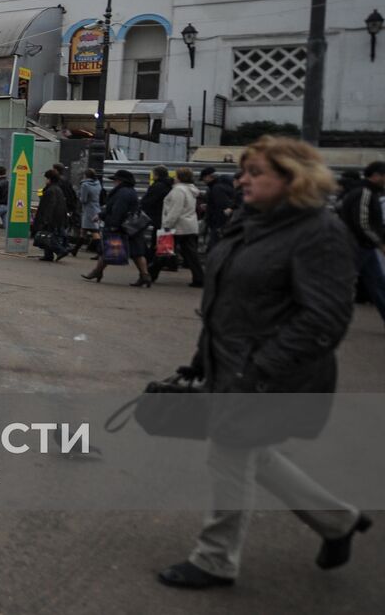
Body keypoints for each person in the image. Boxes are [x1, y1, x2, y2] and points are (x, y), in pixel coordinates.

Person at [158, 136, 368, 590]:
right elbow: (227, 297)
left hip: (272, 374)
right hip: (232, 362)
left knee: (229, 455)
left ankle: (215, 559)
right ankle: (338, 521)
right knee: (255, 456)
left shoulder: (319, 233)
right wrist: (202, 357)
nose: (244, 179)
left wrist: (259, 367)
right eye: (244, 170)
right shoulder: (251, 222)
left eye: (257, 172)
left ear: (293, 179)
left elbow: (326, 317)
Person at [82, 170, 153, 286]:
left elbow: (117, 210)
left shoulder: (122, 193)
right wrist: (101, 215)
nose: (114, 182)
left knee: (109, 249)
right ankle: (145, 275)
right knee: (136, 253)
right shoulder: (130, 191)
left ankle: (97, 272)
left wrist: (113, 225)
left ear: (120, 181)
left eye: (115, 180)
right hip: (132, 227)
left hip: (121, 227)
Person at [337, 160, 385, 324]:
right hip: (359, 245)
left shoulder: (363, 191)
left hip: (363, 246)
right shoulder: (365, 192)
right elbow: (363, 222)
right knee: (343, 284)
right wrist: (379, 242)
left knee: (378, 284)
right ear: (376, 176)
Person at [152, 167, 206, 287]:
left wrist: (167, 225)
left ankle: (150, 274)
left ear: (180, 177)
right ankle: (199, 278)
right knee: (191, 255)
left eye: (176, 176)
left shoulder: (178, 190)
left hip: (177, 226)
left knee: (163, 251)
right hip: (189, 225)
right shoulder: (191, 190)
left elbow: (175, 210)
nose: (174, 178)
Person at [32, 170, 71, 261]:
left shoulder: (51, 190)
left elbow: (50, 206)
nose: (45, 180)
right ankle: (48, 255)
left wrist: (45, 219)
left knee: (48, 236)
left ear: (49, 179)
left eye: (46, 178)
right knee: (48, 236)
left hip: (51, 218)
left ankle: (60, 250)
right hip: (58, 217)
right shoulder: (57, 189)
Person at [201, 166, 238, 249]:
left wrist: (218, 226)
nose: (203, 182)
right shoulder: (223, 185)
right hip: (223, 223)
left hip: (219, 224)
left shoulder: (217, 188)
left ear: (208, 177)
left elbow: (222, 207)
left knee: (214, 248)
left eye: (203, 179)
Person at [76, 169, 103, 256]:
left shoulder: (85, 185)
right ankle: (75, 249)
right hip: (96, 208)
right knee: (83, 230)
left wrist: (79, 194)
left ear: (85, 175)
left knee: (94, 231)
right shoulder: (98, 183)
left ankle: (101, 252)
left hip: (88, 210)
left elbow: (83, 199)